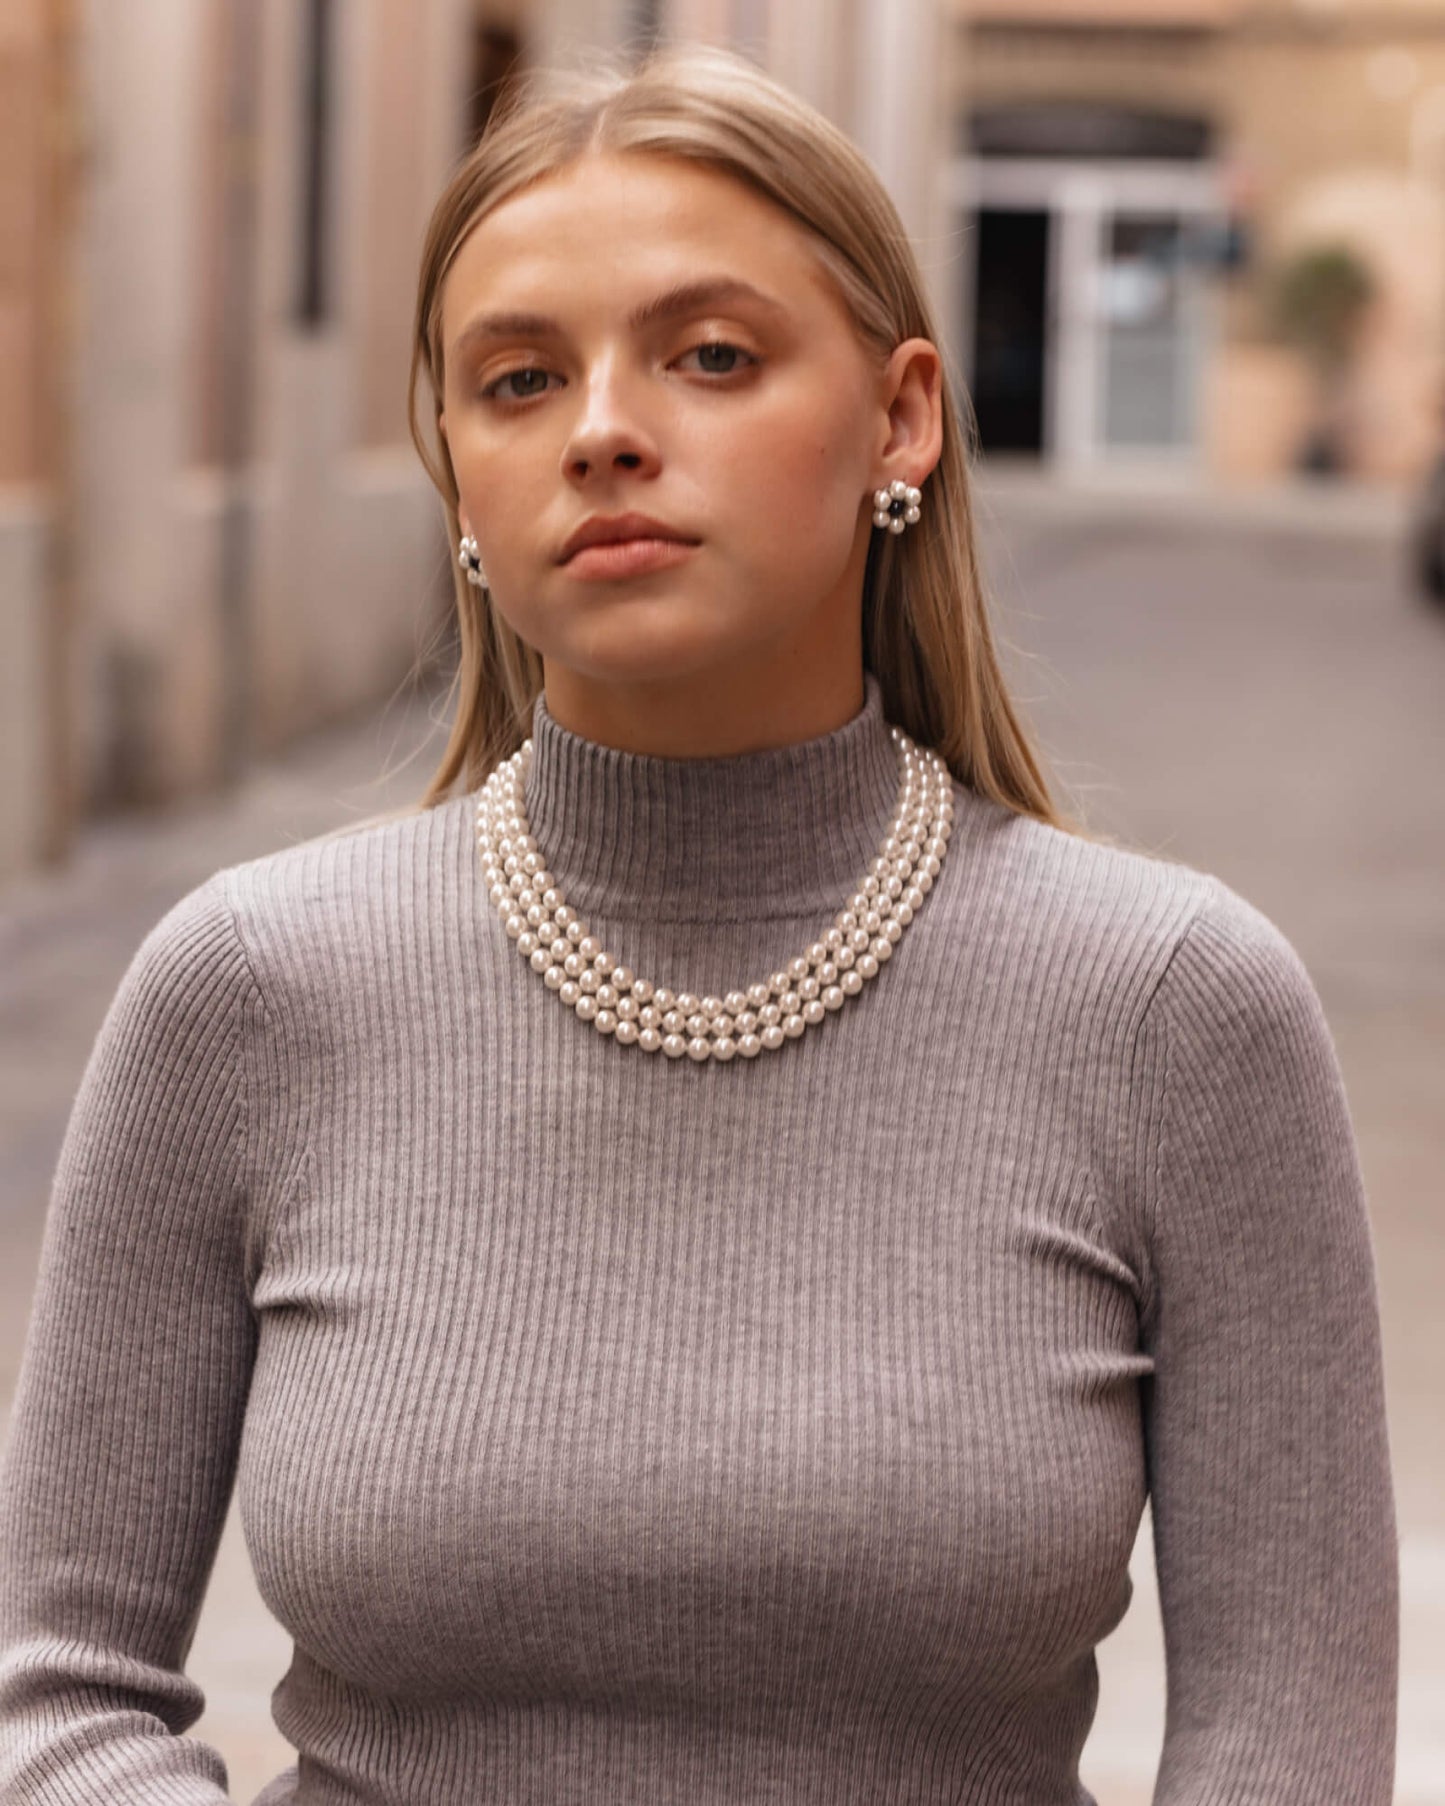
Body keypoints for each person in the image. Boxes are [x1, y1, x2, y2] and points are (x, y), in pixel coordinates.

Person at [0, 42, 1397, 1806]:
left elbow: (1288, 1747)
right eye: (515, 380)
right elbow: (56, 1695)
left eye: (710, 355)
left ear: (900, 417)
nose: (599, 427)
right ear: (456, 476)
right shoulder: (255, 987)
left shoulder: (1173, 1008)